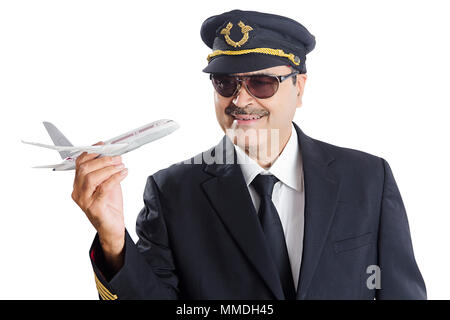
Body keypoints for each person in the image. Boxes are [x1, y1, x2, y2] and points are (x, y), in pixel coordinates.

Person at [71, 9, 426, 300]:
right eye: (225, 83)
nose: (240, 101)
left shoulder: (367, 179)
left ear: (298, 88)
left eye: (261, 83)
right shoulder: (172, 193)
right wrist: (113, 239)